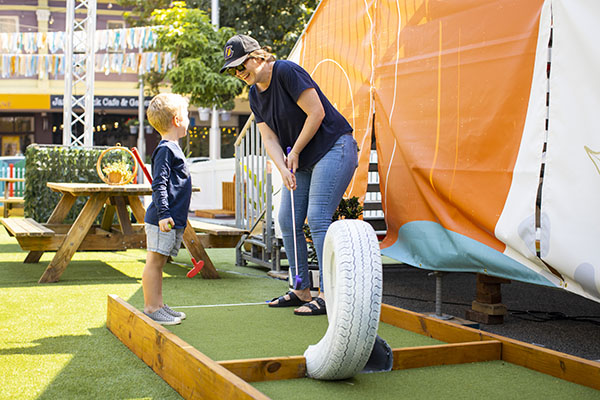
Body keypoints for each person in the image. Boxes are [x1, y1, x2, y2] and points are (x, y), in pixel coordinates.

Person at [220, 34, 358, 316]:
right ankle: (301, 288)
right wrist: (282, 167)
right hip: (304, 158)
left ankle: (329, 294)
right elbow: (268, 138)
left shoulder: (286, 71)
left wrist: (293, 152)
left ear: (257, 57)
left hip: (335, 146)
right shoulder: (254, 94)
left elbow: (316, 113)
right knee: (287, 219)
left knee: (318, 217)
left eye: (241, 64)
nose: (238, 72)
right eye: (233, 69)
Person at [142, 93, 191, 325]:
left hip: (171, 217)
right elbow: (158, 184)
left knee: (160, 262)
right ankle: (152, 307)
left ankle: (159, 304)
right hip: (162, 218)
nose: (189, 119)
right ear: (177, 120)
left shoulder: (173, 148)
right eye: (187, 114)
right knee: (154, 261)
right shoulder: (165, 150)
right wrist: (164, 214)